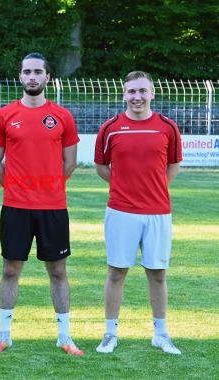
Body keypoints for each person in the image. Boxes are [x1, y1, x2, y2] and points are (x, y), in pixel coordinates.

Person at [0, 53, 83, 355]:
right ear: (20, 77)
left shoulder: (63, 116)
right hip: (15, 207)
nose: (31, 77)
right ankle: (4, 335)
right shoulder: (4, 115)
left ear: (47, 77)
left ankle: (65, 337)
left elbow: (70, 163)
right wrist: (18, 187)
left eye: (37, 72)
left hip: (53, 207)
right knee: (11, 269)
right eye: (26, 71)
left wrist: (47, 187)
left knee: (57, 271)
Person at [94, 71, 183, 355]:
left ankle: (161, 333)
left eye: (142, 91)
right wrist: (127, 188)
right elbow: (101, 167)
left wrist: (152, 189)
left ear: (152, 93)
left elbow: (173, 167)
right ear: (124, 94)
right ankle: (110, 333)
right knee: (116, 272)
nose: (137, 97)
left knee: (157, 273)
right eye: (131, 91)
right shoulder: (111, 128)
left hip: (158, 212)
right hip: (121, 211)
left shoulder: (167, 127)